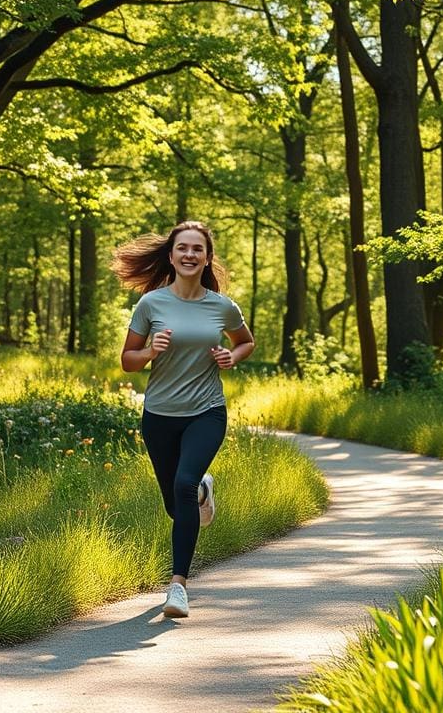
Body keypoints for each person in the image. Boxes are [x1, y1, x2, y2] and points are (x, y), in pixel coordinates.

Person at [112, 220, 255, 618]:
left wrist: (232, 357)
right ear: (171, 256)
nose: (190, 255)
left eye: (197, 249)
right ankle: (203, 494)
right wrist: (150, 352)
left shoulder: (222, 306)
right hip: (159, 415)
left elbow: (245, 342)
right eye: (182, 249)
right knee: (177, 504)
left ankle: (178, 587)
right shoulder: (151, 304)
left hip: (206, 412)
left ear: (207, 257)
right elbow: (127, 361)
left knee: (183, 482)